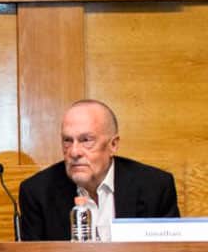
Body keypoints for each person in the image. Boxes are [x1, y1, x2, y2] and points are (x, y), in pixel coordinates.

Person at [19, 99, 179, 241]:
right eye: (67, 141)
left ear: (113, 145)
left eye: (86, 140)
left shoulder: (155, 187)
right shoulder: (38, 193)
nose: (74, 152)